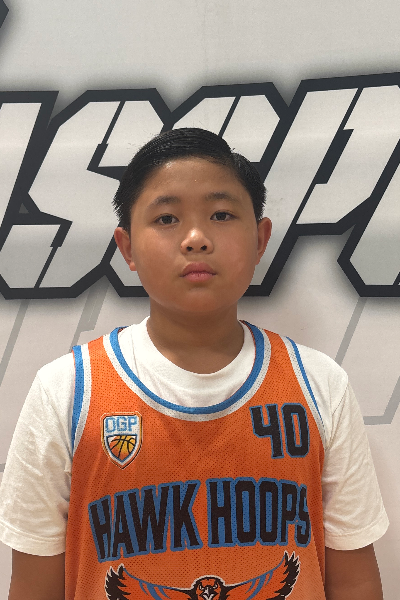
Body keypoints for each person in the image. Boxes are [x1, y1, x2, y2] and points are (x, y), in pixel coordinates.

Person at [0, 128, 388, 600]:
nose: (196, 239)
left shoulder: (319, 385)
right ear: (127, 247)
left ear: (260, 238)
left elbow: (354, 580)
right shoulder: (65, 392)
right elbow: (33, 585)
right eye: (166, 218)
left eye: (221, 214)